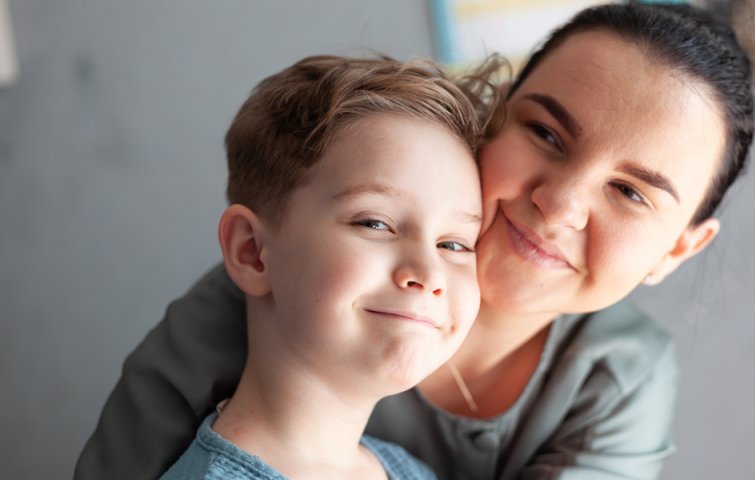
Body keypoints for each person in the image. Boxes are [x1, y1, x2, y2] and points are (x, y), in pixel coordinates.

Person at [75, 3, 755, 480]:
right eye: (545, 134)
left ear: (678, 250)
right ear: (493, 118)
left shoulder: (618, 384)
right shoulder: (271, 292)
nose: (560, 204)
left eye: (632, 193)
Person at [155, 53, 504, 480]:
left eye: (454, 243)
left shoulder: (412, 473)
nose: (428, 274)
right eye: (375, 223)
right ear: (251, 251)